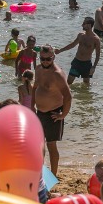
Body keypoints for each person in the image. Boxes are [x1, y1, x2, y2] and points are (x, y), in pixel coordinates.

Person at [32, 45, 72, 176]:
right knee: (38, 144)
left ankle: (53, 174)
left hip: (53, 113)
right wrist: (32, 105)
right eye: (42, 59)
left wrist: (63, 115)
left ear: (53, 57)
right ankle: (40, 170)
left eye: (48, 59)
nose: (45, 62)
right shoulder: (38, 69)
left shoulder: (57, 74)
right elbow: (35, 87)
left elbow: (68, 96)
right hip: (40, 112)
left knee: (51, 145)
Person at [54, 16, 101, 85]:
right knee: (69, 82)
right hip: (77, 62)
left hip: (87, 64)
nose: (82, 25)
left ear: (89, 25)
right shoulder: (81, 35)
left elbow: (98, 55)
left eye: (84, 24)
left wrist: (94, 67)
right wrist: (60, 50)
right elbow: (72, 45)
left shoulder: (96, 39)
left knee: (86, 84)